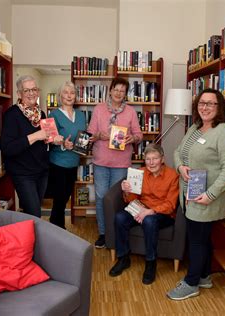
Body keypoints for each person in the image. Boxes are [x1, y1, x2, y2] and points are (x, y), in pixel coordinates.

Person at [167, 88, 225, 300]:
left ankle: (191, 283)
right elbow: (177, 152)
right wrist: (180, 167)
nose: (204, 107)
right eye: (201, 103)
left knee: (197, 240)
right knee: (202, 238)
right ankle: (205, 276)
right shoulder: (196, 127)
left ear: (219, 107)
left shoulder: (224, 132)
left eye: (210, 104)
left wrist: (211, 195)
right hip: (189, 194)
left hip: (206, 197)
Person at [108, 143, 179, 285]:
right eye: (148, 159)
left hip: (162, 213)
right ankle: (123, 258)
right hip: (142, 208)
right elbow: (132, 199)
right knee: (120, 217)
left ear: (162, 159)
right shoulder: (139, 173)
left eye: (155, 158)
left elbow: (170, 205)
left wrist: (151, 211)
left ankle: (150, 263)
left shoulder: (172, 176)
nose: (151, 163)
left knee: (149, 221)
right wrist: (127, 192)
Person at [88, 77, 143, 248]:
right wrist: (99, 136)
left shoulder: (131, 112)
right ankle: (104, 233)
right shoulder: (98, 109)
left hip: (121, 164)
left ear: (125, 94)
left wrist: (131, 138)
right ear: (110, 91)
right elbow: (90, 134)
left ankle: (116, 232)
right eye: (116, 89)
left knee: (117, 199)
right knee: (101, 198)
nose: (119, 93)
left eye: (122, 91)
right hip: (101, 162)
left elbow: (139, 135)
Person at [0, 75, 63, 218]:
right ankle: (31, 240)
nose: (31, 93)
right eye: (27, 90)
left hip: (41, 171)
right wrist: (35, 136)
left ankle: (30, 238)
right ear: (19, 94)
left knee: (34, 212)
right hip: (23, 173)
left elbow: (44, 142)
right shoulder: (12, 114)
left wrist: (54, 141)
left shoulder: (40, 113)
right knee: (34, 213)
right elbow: (8, 148)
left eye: (34, 89)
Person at [48, 81, 86, 229]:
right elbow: (50, 139)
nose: (69, 96)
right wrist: (63, 144)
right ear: (60, 96)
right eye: (66, 92)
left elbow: (83, 137)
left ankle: (54, 225)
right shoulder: (54, 114)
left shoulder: (82, 115)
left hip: (74, 162)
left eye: (72, 93)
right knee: (59, 199)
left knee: (65, 198)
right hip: (58, 162)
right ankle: (59, 229)